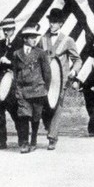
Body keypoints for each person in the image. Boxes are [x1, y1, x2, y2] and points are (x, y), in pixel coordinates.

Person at [40, 8, 83, 150]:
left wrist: (74, 72)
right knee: (45, 108)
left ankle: (52, 137)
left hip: (60, 81)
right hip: (44, 81)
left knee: (57, 107)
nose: (51, 24)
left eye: (55, 22)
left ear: (60, 23)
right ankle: (49, 128)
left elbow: (77, 60)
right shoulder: (43, 39)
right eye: (50, 21)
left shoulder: (68, 40)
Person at [12, 23, 51, 154]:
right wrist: (17, 89)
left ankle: (33, 139)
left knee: (35, 117)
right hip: (23, 91)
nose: (35, 40)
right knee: (23, 116)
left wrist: (45, 89)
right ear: (25, 39)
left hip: (38, 91)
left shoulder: (40, 53)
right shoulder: (16, 54)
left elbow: (47, 73)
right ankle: (24, 143)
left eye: (36, 37)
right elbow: (15, 73)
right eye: (32, 37)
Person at [0, 17, 23, 150]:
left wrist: (10, 62)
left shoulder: (20, 43)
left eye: (9, 29)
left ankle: (22, 139)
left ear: (14, 29)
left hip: (13, 82)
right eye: (5, 29)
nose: (7, 32)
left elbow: (23, 63)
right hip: (0, 83)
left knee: (15, 112)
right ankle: (2, 141)